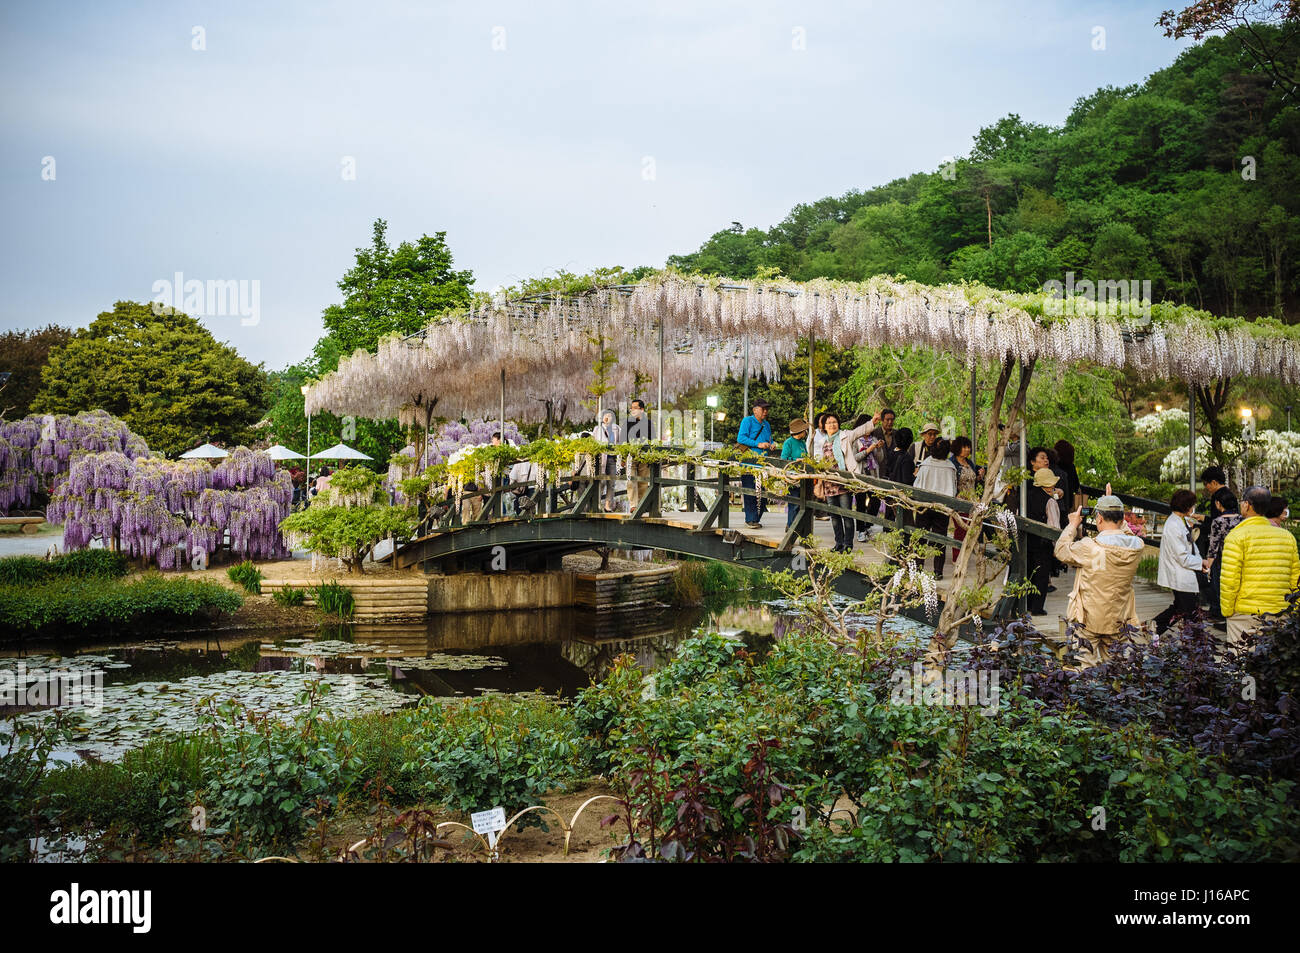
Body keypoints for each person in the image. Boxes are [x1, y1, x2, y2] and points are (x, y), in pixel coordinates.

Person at [1053, 490, 1146, 664]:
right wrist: (1112, 503)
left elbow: (1060, 550)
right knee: (1115, 669)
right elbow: (1126, 535)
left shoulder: (1090, 547)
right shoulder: (1137, 546)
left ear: (1099, 518)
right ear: (1121, 519)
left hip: (1088, 619)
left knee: (1085, 668)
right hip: (1119, 617)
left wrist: (1072, 525)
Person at [1218, 485, 1300, 645]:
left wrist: (1227, 610)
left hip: (1245, 614)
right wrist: (1295, 608)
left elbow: (1230, 579)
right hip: (1280, 612)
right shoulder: (1287, 537)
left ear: (1246, 505)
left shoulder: (1236, 536)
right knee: (1270, 665)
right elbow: (1295, 578)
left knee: (1241, 662)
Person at [815, 411, 875, 551]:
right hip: (829, 483)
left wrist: (873, 421)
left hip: (843, 482)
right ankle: (839, 543)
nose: (832, 425)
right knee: (834, 516)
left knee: (846, 513)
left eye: (834, 422)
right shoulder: (822, 441)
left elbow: (859, 431)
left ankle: (848, 544)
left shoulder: (845, 436)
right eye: (829, 423)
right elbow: (818, 460)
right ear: (824, 426)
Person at [1152, 489, 1204, 633]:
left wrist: (1200, 561)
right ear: (1186, 506)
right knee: (1190, 612)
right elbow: (1182, 556)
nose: (1193, 509)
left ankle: (1155, 627)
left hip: (1183, 572)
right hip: (1179, 573)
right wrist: (1200, 563)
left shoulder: (1180, 520)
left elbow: (1190, 545)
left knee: (1181, 608)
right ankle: (1195, 644)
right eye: (1192, 505)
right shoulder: (1174, 525)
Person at [914, 438, 957, 576]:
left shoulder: (925, 464)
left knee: (921, 537)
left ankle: (917, 568)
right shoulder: (950, 467)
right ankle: (938, 571)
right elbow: (953, 490)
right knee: (940, 539)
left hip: (924, 506)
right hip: (941, 508)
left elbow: (917, 486)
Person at [1025, 467, 1062, 615]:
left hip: (1027, 540)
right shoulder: (1050, 501)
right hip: (1043, 543)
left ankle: (1027, 603)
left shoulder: (1026, 496)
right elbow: (1054, 526)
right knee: (1041, 576)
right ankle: (1037, 608)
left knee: (1029, 573)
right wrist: (1057, 547)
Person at [736, 399, 777, 528]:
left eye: (767, 409)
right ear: (755, 410)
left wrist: (772, 444)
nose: (765, 411)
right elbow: (741, 438)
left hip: (763, 463)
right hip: (749, 462)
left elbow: (769, 438)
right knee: (750, 491)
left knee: (763, 494)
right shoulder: (747, 421)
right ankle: (751, 519)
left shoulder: (767, 424)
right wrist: (757, 444)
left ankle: (756, 518)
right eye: (762, 409)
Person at [1203, 487, 1241, 623]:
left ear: (1219, 504)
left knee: (1222, 587)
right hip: (1240, 557)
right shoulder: (1242, 519)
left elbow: (1213, 547)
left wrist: (1208, 567)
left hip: (1224, 558)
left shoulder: (1218, 522)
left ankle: (1224, 616)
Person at [949, 436, 983, 563]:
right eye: (964, 447)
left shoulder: (970, 463)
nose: (967, 449)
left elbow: (973, 480)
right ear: (958, 448)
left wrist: (980, 476)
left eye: (968, 447)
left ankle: (965, 556)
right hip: (960, 500)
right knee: (960, 530)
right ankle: (957, 558)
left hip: (973, 500)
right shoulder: (952, 463)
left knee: (971, 530)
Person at [781, 418, 809, 529]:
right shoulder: (788, 442)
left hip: (803, 476)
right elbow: (783, 458)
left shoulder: (802, 443)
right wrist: (795, 459)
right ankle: (790, 525)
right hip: (792, 476)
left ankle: (798, 525)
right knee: (793, 503)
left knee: (801, 503)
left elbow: (805, 455)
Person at [625, 399, 652, 511]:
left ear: (641, 409)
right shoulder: (628, 422)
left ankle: (641, 504)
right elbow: (624, 440)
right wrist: (623, 456)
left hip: (644, 456)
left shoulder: (648, 423)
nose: (632, 410)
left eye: (635, 408)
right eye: (631, 408)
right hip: (631, 456)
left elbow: (651, 440)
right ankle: (633, 505)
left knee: (643, 482)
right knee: (630, 480)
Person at [593, 410, 621, 512]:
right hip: (601, 458)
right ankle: (597, 503)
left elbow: (620, 442)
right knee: (601, 481)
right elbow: (593, 442)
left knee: (611, 482)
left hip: (612, 458)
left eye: (609, 416)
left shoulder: (616, 428)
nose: (607, 417)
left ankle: (608, 505)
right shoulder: (597, 429)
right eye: (605, 416)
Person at [1054, 439, 1082, 509]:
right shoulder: (1071, 467)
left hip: (1055, 501)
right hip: (1068, 501)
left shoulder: (1053, 466)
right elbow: (1076, 486)